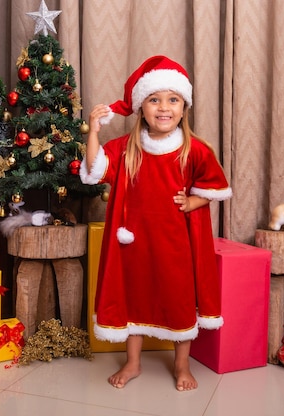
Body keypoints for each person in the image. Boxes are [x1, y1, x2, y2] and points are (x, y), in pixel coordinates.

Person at [80, 55, 232, 391]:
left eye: (172, 99)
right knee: (134, 297)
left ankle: (181, 364)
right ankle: (132, 363)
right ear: (141, 108)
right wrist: (93, 131)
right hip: (134, 243)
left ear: (183, 106)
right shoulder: (126, 148)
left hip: (176, 244)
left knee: (178, 298)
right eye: (154, 99)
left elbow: (215, 189)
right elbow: (93, 171)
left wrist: (194, 200)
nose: (164, 107)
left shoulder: (195, 150)